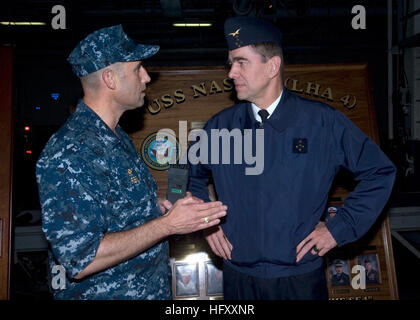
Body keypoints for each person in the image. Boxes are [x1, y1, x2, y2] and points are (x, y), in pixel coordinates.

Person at [188, 16, 396, 300]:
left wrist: (340, 227)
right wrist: (205, 222)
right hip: (238, 280)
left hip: (299, 282)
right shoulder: (220, 126)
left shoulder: (322, 123)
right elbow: (186, 175)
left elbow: (380, 172)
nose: (231, 73)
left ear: (272, 66)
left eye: (241, 62)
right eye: (230, 63)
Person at [36, 25, 227, 300]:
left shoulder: (115, 137)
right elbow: (80, 260)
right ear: (110, 79)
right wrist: (167, 225)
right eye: (138, 69)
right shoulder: (71, 151)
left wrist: (160, 210)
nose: (147, 77)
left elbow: (117, 215)